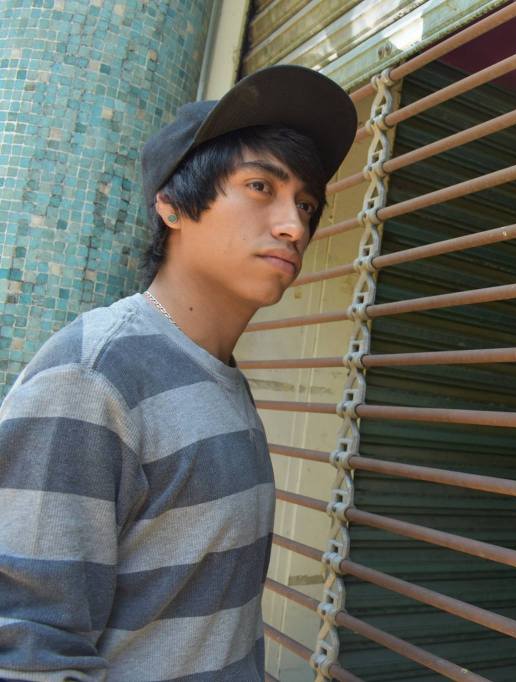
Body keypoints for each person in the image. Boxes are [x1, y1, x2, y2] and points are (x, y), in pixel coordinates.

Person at [0, 65, 356, 681]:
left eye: (306, 203)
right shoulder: (92, 378)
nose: (294, 226)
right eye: (260, 187)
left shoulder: (216, 372)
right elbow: (27, 650)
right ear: (171, 205)